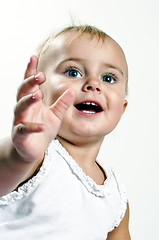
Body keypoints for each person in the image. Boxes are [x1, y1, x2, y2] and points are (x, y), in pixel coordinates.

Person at [0, 25, 131, 239]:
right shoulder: (39, 157)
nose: (93, 84)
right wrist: (20, 155)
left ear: (122, 108)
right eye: (73, 72)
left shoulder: (116, 196)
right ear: (39, 93)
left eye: (108, 78)